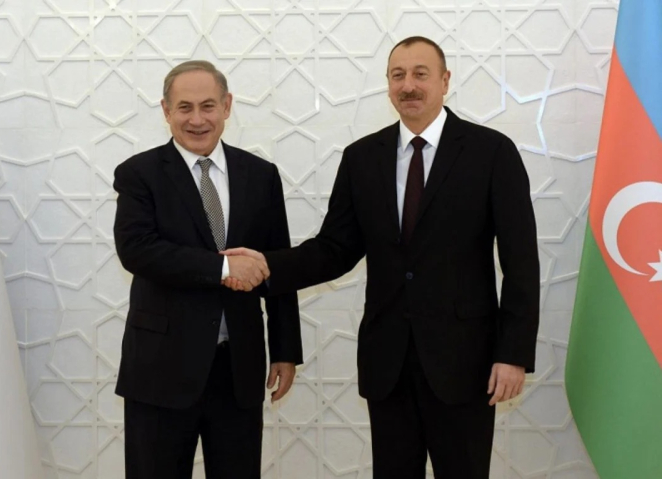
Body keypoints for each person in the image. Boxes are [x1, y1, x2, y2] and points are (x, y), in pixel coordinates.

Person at [223, 36, 540, 478]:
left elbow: (521, 262)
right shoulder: (361, 158)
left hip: (465, 362)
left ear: (445, 81)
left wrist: (513, 354)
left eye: (420, 74)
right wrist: (264, 267)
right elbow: (334, 250)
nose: (408, 85)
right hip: (387, 361)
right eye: (398, 75)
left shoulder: (491, 152)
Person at [113, 60, 303, 479]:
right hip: (160, 371)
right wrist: (224, 267)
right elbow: (137, 250)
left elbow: (276, 263)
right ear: (166, 110)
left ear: (227, 106)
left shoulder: (261, 175)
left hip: (238, 370)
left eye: (208, 106)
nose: (197, 119)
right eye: (184, 107)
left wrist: (285, 349)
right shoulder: (138, 174)